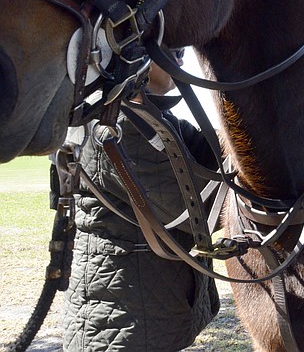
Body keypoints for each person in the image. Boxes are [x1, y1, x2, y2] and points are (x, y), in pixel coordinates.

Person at [63, 50, 220, 352]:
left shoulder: (135, 113)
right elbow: (194, 210)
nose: (181, 60)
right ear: (137, 55)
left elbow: (211, 151)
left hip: (136, 315)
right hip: (121, 324)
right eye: (173, 51)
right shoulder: (116, 124)